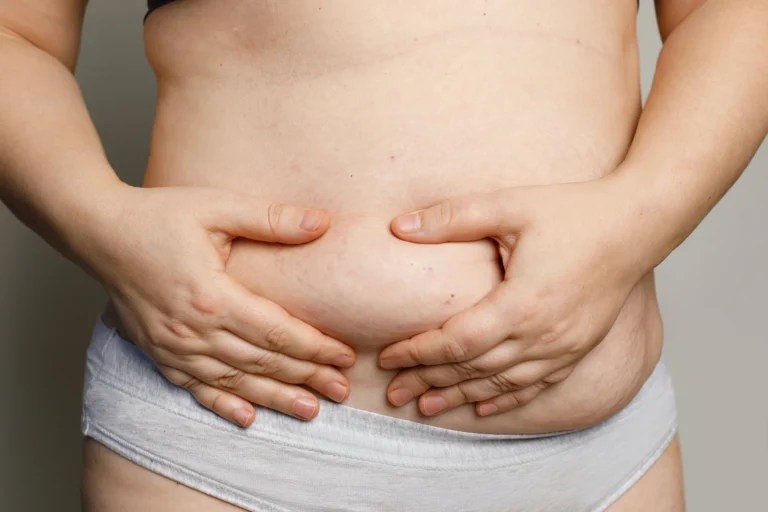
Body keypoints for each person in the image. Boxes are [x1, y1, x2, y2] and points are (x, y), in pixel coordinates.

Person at [1, 0, 766, 510]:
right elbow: (15, 33)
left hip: (591, 463)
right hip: (223, 450)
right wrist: (101, 220)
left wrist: (635, 222)